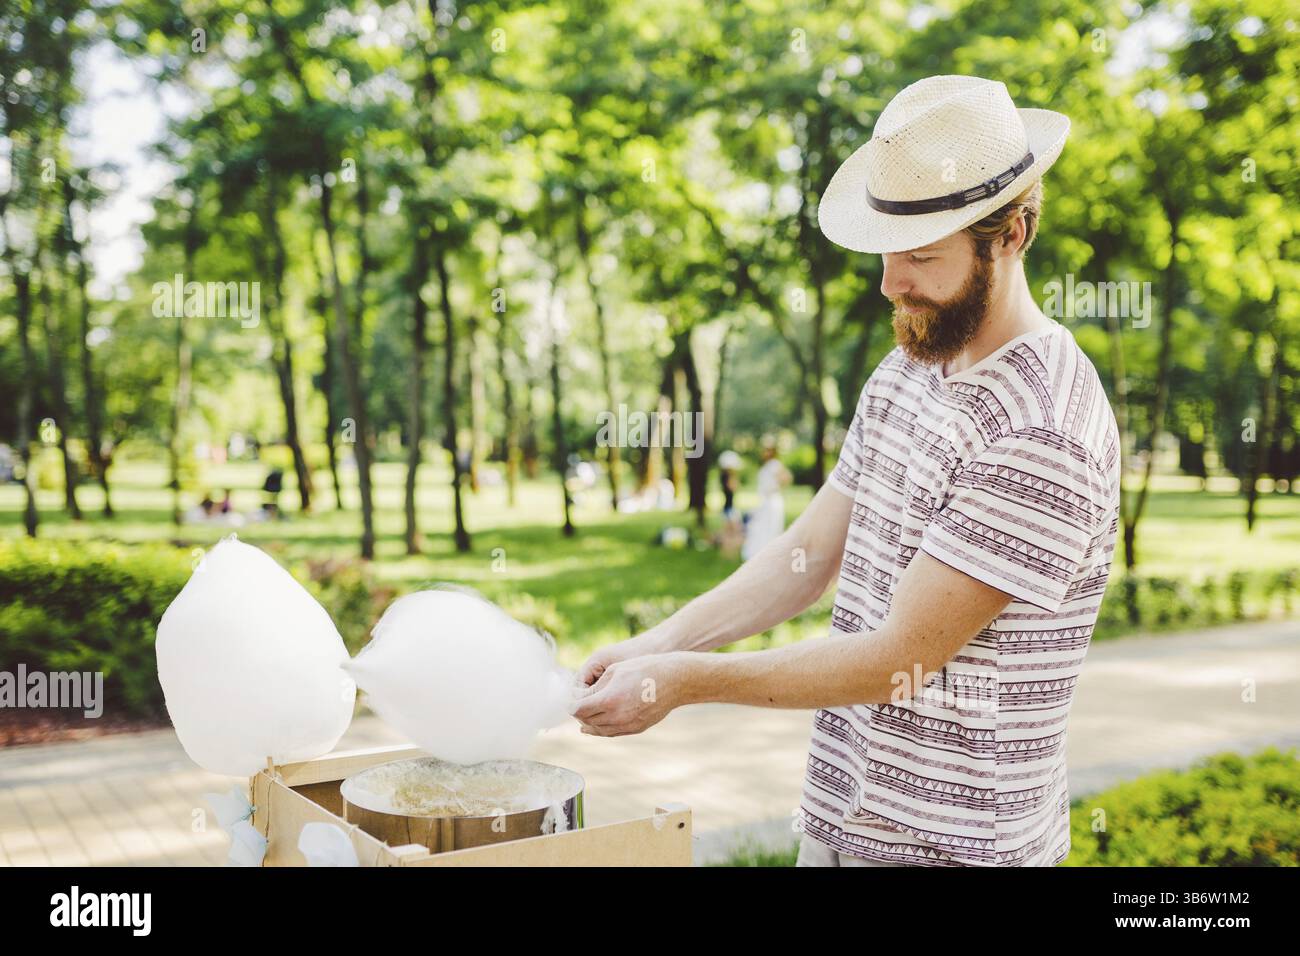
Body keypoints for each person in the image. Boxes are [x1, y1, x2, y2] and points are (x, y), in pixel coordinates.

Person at [571, 76, 1121, 868]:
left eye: (922, 257)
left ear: (1012, 235)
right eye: (887, 251)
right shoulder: (911, 363)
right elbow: (808, 557)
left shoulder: (1045, 430)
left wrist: (681, 681)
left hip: (956, 851)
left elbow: (895, 658)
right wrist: (658, 642)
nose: (891, 284)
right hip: (841, 819)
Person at [740, 440, 791, 560]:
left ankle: (770, 554)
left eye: (767, 450)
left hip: (772, 501)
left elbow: (786, 477)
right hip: (765, 501)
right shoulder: (767, 465)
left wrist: (775, 487)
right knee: (761, 526)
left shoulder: (774, 464)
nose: (764, 452)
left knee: (771, 526)